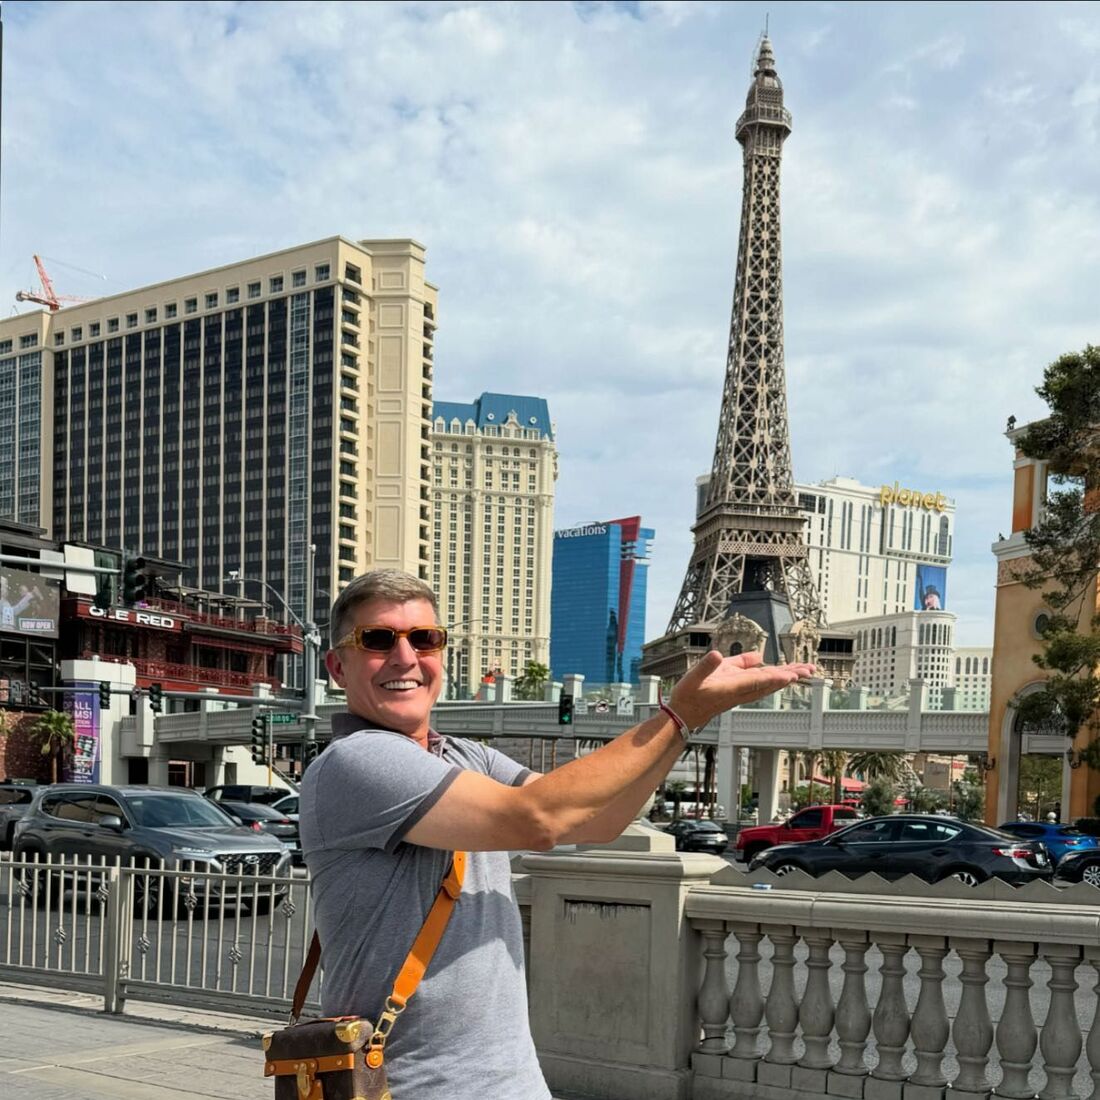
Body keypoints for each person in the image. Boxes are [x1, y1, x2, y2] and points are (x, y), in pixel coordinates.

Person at [299, 569, 815, 1100]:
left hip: (514, 1081)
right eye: (378, 639)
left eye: (424, 638)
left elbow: (597, 820)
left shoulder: (466, 756)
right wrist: (678, 714)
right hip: (414, 1087)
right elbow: (538, 818)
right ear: (337, 666)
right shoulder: (354, 762)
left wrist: (685, 725)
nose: (406, 657)